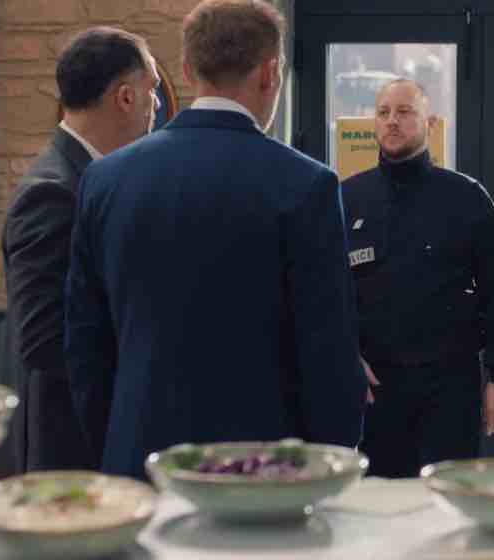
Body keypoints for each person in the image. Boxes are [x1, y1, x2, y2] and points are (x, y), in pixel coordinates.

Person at [65, 0, 365, 479]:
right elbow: (326, 351)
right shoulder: (307, 185)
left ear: (187, 70)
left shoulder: (104, 180)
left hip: (138, 455)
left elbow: (85, 345)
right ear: (271, 73)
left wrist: (114, 444)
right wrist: (333, 457)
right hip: (264, 468)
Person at [341, 79, 494, 478]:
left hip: (450, 387)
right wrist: (345, 359)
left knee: (450, 497)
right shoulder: (347, 198)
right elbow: (329, 294)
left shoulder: (466, 197)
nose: (392, 121)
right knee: (382, 501)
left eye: (405, 112)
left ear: (430, 122)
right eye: (384, 112)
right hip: (376, 389)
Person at [0, 27, 158, 473]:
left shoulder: (88, 178)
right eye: (152, 91)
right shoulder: (53, 191)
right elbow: (42, 339)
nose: (156, 106)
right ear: (125, 97)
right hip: (73, 447)